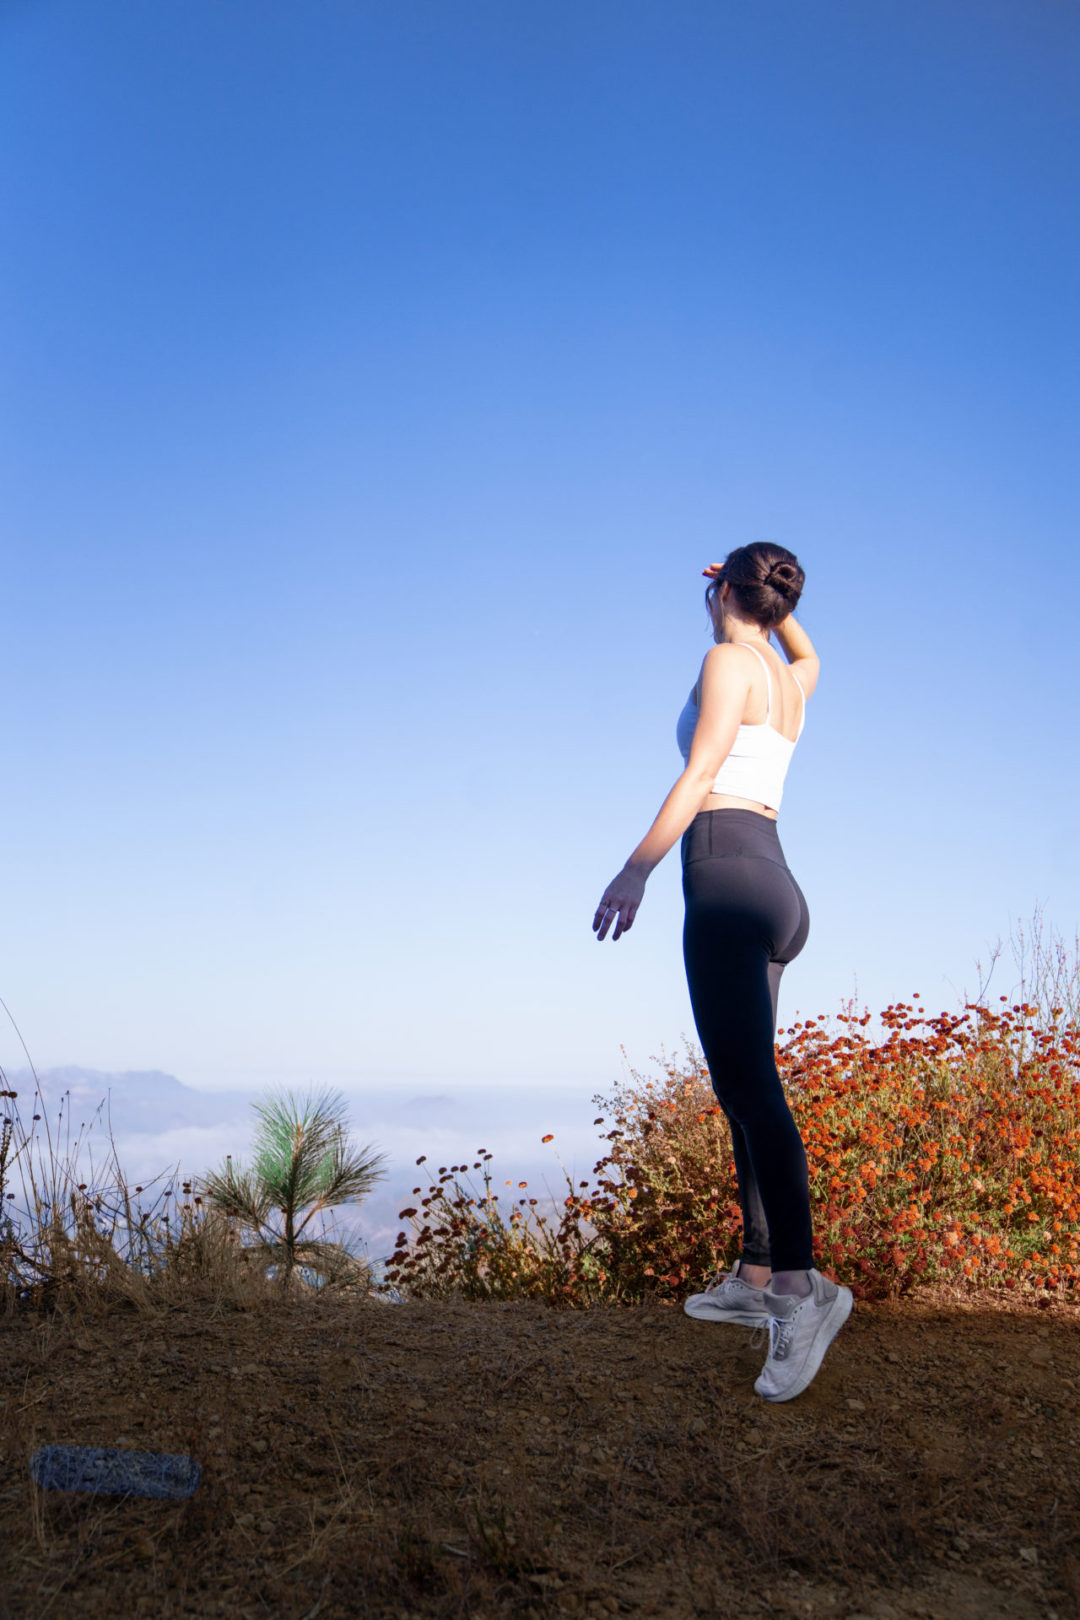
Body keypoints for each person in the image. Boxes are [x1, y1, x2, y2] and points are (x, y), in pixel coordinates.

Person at [592, 544, 852, 1403]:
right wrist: (776, 606)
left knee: (750, 1091)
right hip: (778, 886)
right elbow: (812, 655)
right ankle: (756, 1269)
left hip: (725, 877)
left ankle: (800, 1291)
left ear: (721, 593)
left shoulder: (727, 661)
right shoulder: (785, 677)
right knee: (748, 1088)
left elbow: (700, 773)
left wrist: (636, 869)